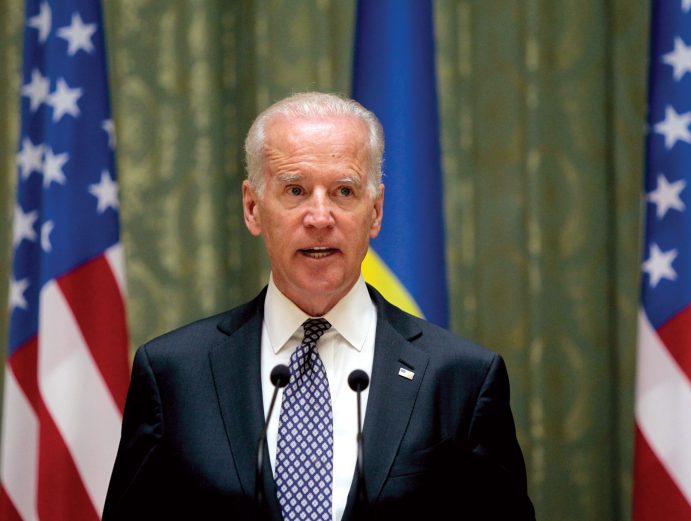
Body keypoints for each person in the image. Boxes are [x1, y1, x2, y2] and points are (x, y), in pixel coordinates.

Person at [102, 92, 535, 521]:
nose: (320, 217)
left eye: (344, 191)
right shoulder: (173, 374)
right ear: (253, 207)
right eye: (295, 190)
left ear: (376, 211)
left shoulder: (460, 378)